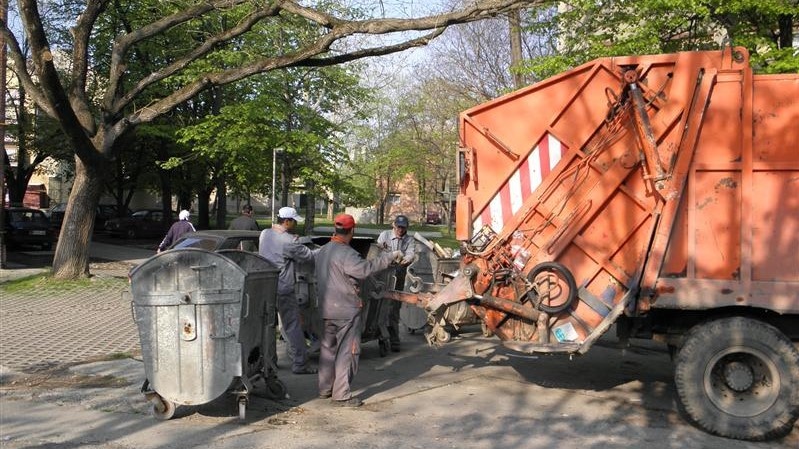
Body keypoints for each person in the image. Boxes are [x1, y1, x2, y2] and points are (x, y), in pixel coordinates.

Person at [315, 213, 402, 407]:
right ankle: (341, 395)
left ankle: (325, 388)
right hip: (346, 310)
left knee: (328, 349)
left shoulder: (323, 251)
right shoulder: (347, 254)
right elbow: (365, 269)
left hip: (327, 308)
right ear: (352, 230)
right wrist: (388, 257)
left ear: (335, 229)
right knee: (348, 351)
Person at [259, 206, 317, 375]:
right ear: (287, 221)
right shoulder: (289, 241)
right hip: (284, 288)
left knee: (268, 326)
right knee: (292, 326)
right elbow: (309, 256)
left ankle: (269, 362)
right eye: (294, 221)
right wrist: (328, 250)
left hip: (266, 287)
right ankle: (300, 364)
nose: (296, 224)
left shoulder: (265, 234)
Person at [376, 214, 416, 352]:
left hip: (398, 275)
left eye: (403, 228)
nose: (400, 230)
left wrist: (405, 259)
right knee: (379, 305)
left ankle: (394, 338)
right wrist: (390, 257)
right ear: (394, 225)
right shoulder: (385, 235)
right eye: (398, 227)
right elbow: (377, 250)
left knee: (394, 307)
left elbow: (411, 253)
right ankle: (379, 333)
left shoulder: (409, 240)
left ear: (406, 228)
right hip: (382, 274)